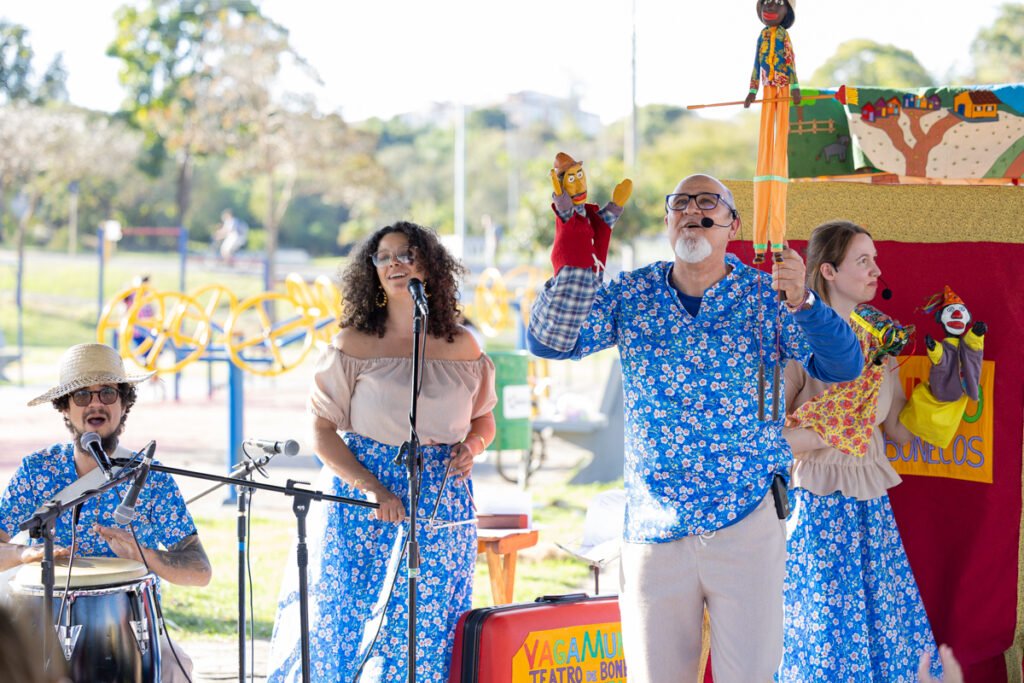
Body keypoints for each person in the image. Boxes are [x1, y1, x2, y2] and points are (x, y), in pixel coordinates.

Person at [528, 173, 864, 682]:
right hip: (652, 527)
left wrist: (804, 302)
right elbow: (551, 341)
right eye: (679, 203)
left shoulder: (766, 295)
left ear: (734, 224)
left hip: (746, 518)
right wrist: (574, 255)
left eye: (708, 202)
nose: (692, 210)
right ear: (667, 222)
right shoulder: (632, 293)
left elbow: (842, 365)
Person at [267, 221, 497, 682]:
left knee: (429, 625)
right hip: (363, 501)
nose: (395, 263)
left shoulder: (464, 345)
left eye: (407, 253)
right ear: (372, 271)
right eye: (385, 256)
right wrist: (372, 489)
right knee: (344, 618)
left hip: (440, 503)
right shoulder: (352, 344)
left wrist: (472, 447)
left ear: (430, 266)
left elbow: (484, 420)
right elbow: (322, 431)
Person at [779, 220, 942, 681]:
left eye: (875, 259)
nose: (877, 270)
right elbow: (764, 440)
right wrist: (836, 426)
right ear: (828, 271)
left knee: (886, 636)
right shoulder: (795, 341)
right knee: (826, 637)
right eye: (863, 260)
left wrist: (946, 388)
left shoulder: (881, 345)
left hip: (872, 514)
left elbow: (898, 433)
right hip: (817, 509)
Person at [0, 343, 212, 683]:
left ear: (124, 403)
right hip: (40, 631)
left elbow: (200, 571)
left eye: (107, 392)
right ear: (65, 408)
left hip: (131, 635)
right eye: (82, 395)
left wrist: (144, 555)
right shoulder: (36, 471)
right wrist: (24, 553)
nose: (95, 403)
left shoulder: (150, 477)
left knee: (175, 669)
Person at [744, 0, 801, 264]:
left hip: (783, 87)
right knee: (765, 156)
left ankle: (776, 241)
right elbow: (756, 63)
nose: (770, 7)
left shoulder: (783, 35)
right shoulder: (762, 35)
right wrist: (752, 89)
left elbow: (790, 61)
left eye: (777, 3)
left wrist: (796, 86)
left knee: (779, 158)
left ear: (787, 10)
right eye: (766, 2)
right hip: (767, 88)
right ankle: (760, 245)